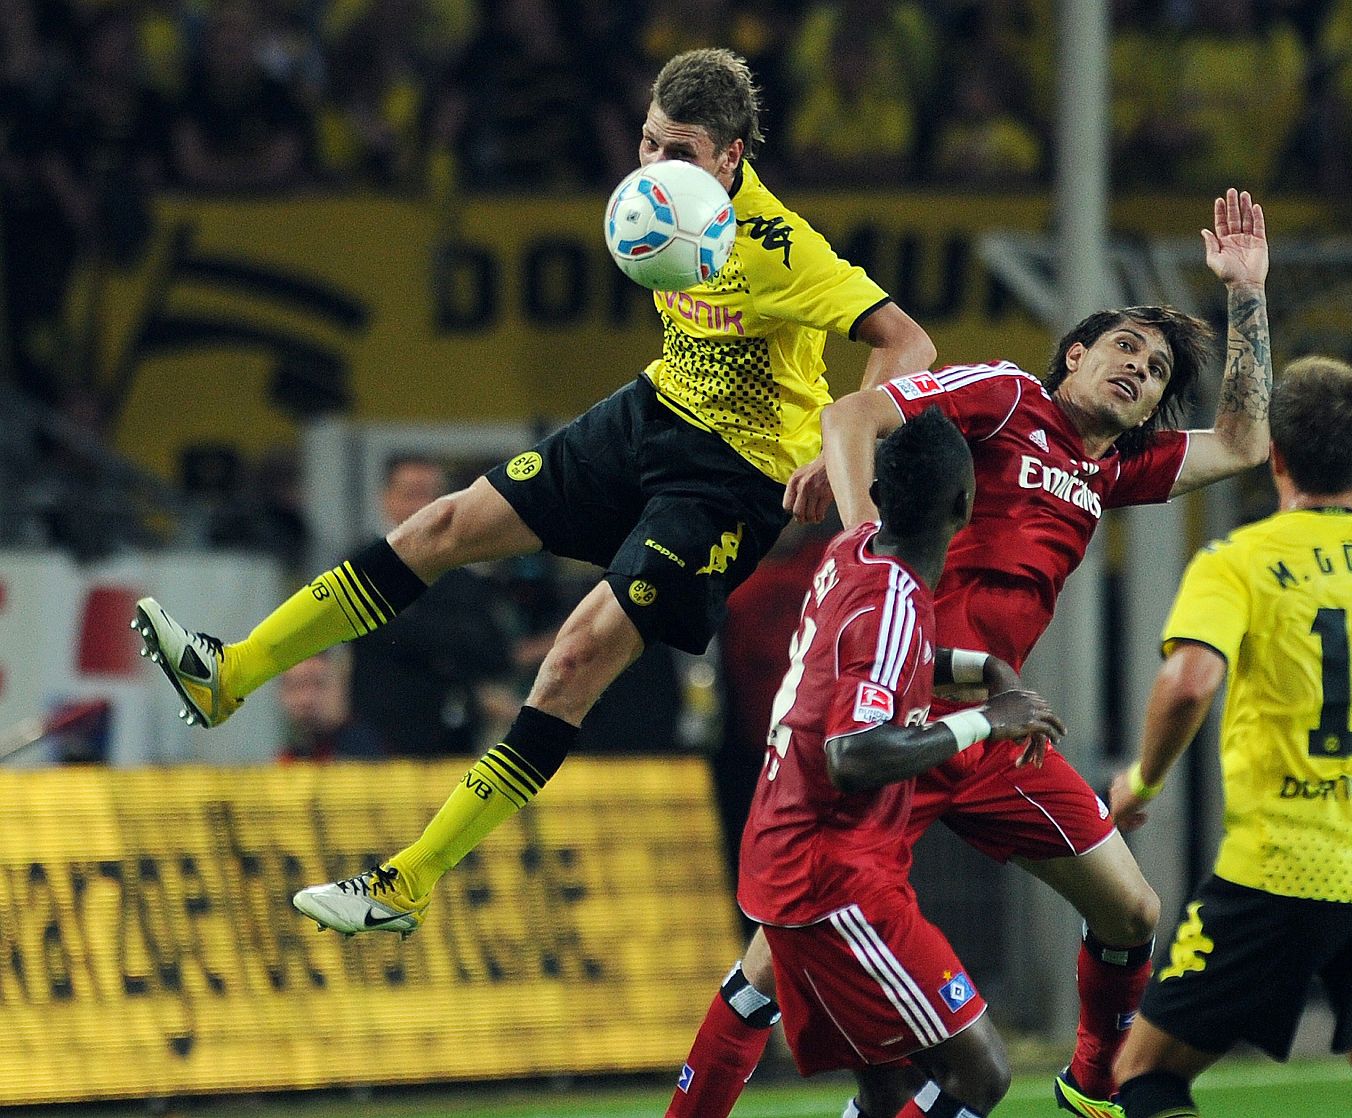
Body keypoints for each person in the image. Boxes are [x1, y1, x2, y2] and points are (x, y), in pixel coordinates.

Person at [130, 46, 935, 937]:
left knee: (573, 660)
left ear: (731, 158)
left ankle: (407, 882)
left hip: (730, 481)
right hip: (655, 409)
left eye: (680, 152)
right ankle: (231, 674)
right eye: (647, 143)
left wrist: (838, 442)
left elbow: (909, 344)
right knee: (441, 525)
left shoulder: (781, 246)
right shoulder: (654, 209)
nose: (655, 168)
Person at [667, 189, 1272, 1118]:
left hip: (992, 725)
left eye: (1154, 372)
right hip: (895, 718)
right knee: (768, 960)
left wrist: (1248, 296)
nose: (1139, 371)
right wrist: (870, 557)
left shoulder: (1109, 468)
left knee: (1134, 913)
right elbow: (850, 419)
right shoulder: (1003, 395)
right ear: (1076, 351)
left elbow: (1243, 442)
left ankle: (1092, 1088)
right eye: (1124, 349)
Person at [1107, 357, 1352, 1118]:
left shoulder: (1240, 561)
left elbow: (1189, 682)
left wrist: (1142, 782)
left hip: (1275, 872)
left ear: (1275, 454)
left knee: (1143, 1074)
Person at [740, 406, 1063, 1118]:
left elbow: (882, 660)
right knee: (980, 1074)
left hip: (790, 854)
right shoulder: (895, 596)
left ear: (879, 498)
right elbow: (852, 754)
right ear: (967, 506)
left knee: (884, 1089)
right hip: (835, 878)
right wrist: (989, 719)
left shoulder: (851, 554)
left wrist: (982, 667)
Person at [348, 454, 512, 758]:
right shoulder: (360, 566)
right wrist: (449, 639)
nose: (421, 506)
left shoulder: (467, 573)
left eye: (431, 495)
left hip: (454, 742)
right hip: (380, 743)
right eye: (411, 494)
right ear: (385, 498)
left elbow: (494, 650)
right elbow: (368, 630)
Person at [277, 647, 388, 763]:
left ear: (344, 684)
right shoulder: (286, 759)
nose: (306, 700)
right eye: (296, 686)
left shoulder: (370, 756)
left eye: (318, 684)